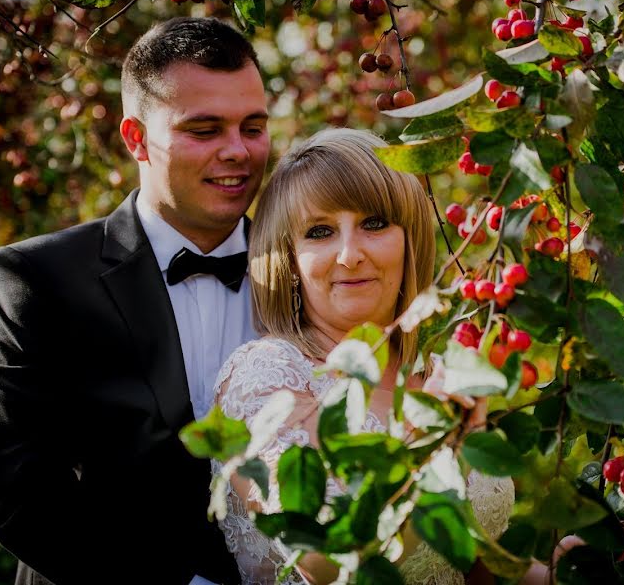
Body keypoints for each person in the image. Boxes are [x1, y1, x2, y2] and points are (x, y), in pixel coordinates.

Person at [0, 16, 269, 585]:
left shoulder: (311, 268)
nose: (238, 152)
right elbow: (21, 495)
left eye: (252, 127)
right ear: (136, 139)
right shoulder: (36, 278)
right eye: (204, 130)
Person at [211, 128, 516, 585]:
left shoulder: (438, 373)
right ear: (289, 260)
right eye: (320, 232)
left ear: (410, 238)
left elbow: (465, 560)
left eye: (374, 223)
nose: (350, 255)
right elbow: (324, 558)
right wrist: (427, 441)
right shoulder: (268, 374)